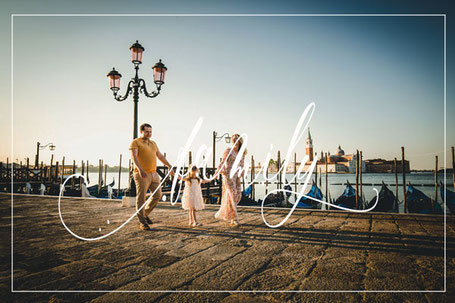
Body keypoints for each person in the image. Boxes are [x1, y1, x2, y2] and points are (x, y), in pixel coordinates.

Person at [129, 123, 173, 231]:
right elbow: (134, 157)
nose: (149, 134)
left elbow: (160, 156)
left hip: (154, 174)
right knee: (141, 198)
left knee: (158, 195)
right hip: (141, 174)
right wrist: (140, 169)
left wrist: (169, 165)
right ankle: (142, 222)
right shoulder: (136, 142)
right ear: (141, 132)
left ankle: (144, 213)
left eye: (150, 132)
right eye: (147, 132)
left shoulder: (153, 143)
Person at [214, 134, 247, 226]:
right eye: (233, 139)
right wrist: (217, 172)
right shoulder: (228, 151)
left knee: (237, 196)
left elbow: (242, 165)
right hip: (228, 176)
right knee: (232, 195)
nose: (235, 141)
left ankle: (230, 214)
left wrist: (241, 174)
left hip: (236, 176)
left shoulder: (242, 152)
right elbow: (223, 162)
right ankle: (235, 218)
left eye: (236, 139)